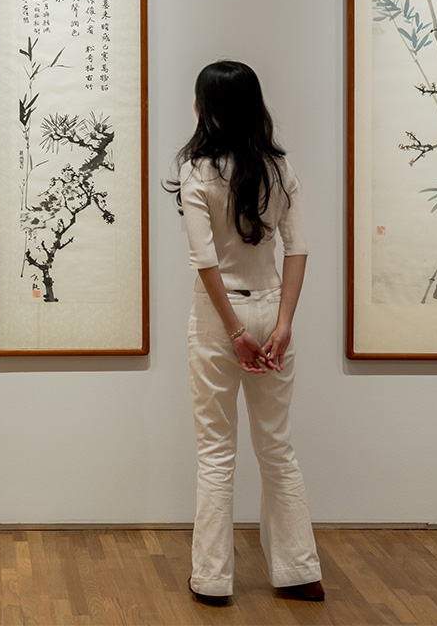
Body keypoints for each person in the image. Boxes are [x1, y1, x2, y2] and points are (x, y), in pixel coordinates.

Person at [165, 60, 324, 606]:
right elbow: (298, 249)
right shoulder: (279, 169)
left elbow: (204, 260)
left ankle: (212, 579)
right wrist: (283, 324)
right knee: (277, 446)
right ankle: (300, 572)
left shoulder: (197, 172)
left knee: (216, 451)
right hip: (271, 307)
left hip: (220, 316)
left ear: (206, 108)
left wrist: (235, 331)